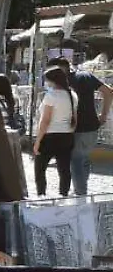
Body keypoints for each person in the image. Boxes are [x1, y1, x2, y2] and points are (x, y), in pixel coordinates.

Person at [48, 57, 113, 195]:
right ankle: (81, 189)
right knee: (83, 159)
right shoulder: (86, 75)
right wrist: (103, 115)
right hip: (92, 128)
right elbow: (108, 91)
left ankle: (80, 195)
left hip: (74, 130)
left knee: (76, 162)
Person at [33, 66, 77, 197]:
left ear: (52, 80)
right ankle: (63, 194)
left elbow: (45, 120)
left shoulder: (51, 95)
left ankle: (41, 195)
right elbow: (75, 119)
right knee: (64, 169)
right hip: (66, 136)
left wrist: (38, 141)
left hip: (49, 136)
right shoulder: (72, 95)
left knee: (40, 169)